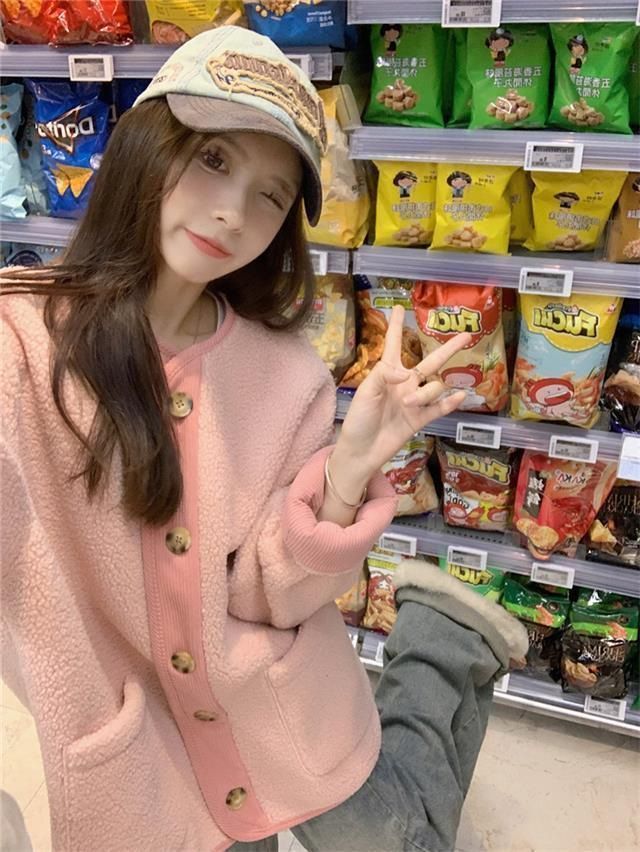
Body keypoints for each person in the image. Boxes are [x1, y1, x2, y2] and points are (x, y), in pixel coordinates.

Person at [0, 26, 528, 852]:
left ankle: (436, 648)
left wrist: (347, 471)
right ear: (145, 145)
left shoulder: (288, 377)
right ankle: (444, 636)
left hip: (282, 707)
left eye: (271, 196)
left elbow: (265, 593)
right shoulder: (23, 344)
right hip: (143, 768)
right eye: (212, 159)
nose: (233, 212)